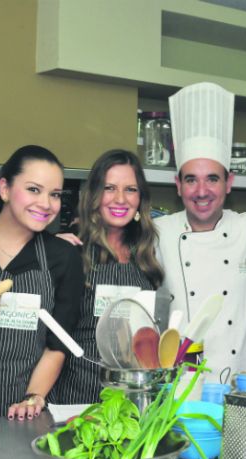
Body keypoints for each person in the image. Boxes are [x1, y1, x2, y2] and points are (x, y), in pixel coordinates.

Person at [0, 145, 84, 421]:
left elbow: (57, 345)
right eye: (33, 189)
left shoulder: (63, 257)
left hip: (25, 414)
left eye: (54, 195)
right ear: (4, 189)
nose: (45, 203)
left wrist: (32, 398)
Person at [155, 82, 246, 381]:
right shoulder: (157, 233)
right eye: (191, 180)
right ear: (178, 186)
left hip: (242, 386)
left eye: (212, 179)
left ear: (229, 182)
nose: (201, 191)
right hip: (179, 389)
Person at [51, 149, 164, 404]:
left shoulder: (146, 255)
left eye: (131, 189)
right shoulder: (73, 250)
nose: (120, 199)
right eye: (109, 188)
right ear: (94, 195)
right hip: (77, 394)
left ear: (141, 198)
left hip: (132, 397)